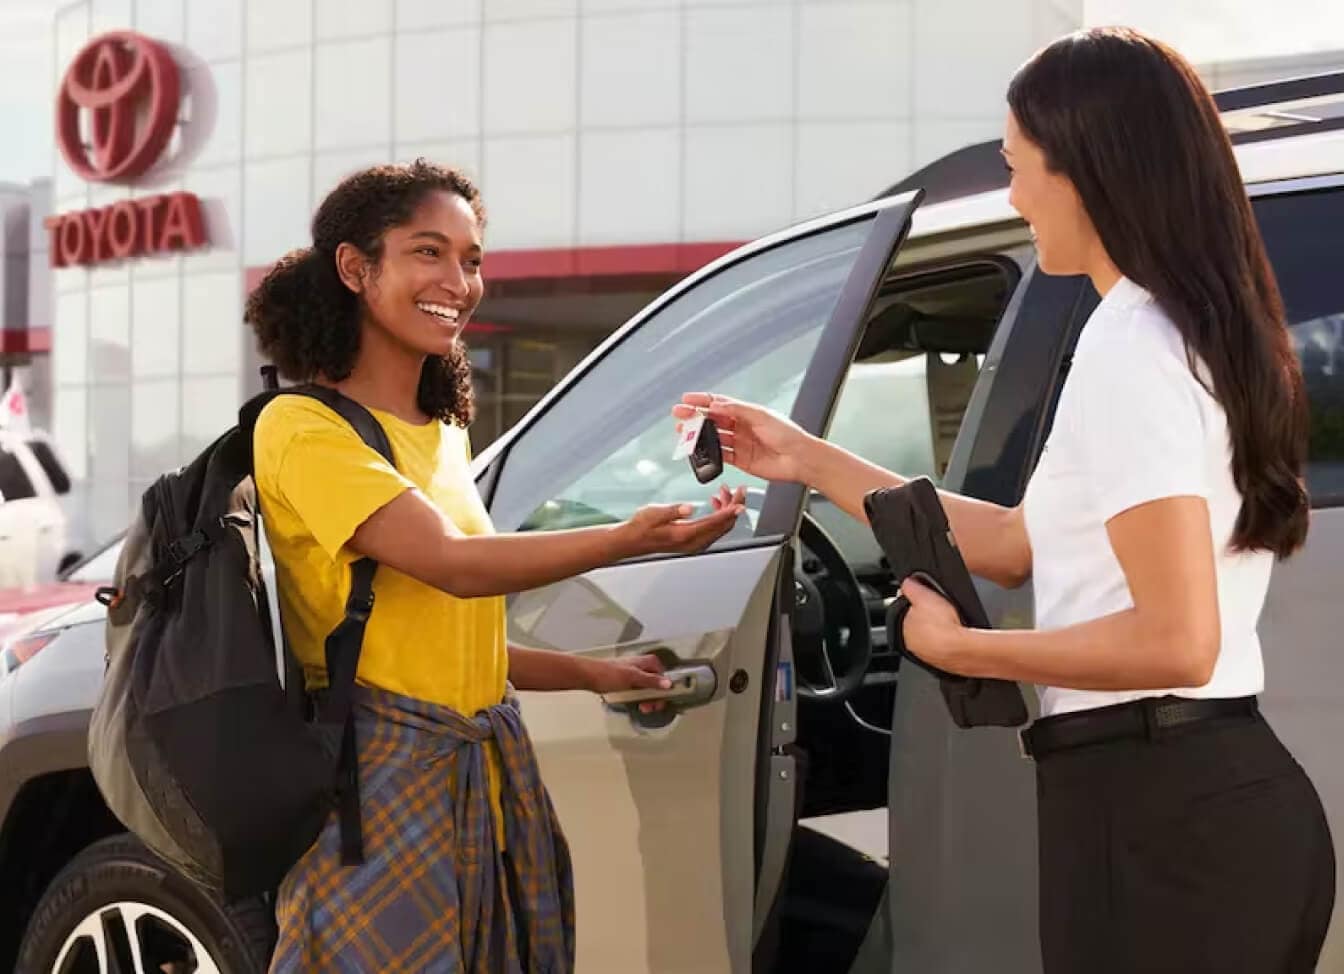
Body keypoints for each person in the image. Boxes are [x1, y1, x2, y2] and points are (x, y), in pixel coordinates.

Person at [677, 27, 1335, 974]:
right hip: (1192, 807)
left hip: (1159, 818)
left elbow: (1175, 641)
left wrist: (962, 649)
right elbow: (1025, 542)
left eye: (1019, 166)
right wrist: (810, 458)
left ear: (1090, 171)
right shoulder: (1183, 327)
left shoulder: (1133, 343)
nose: (1016, 194)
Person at [245, 160, 745, 972]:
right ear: (354, 267)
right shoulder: (303, 430)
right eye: (428, 252)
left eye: (472, 259)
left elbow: (449, 638)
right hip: (378, 790)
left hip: (481, 773)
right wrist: (631, 538)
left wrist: (594, 674)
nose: (459, 281)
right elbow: (453, 566)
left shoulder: (439, 435)